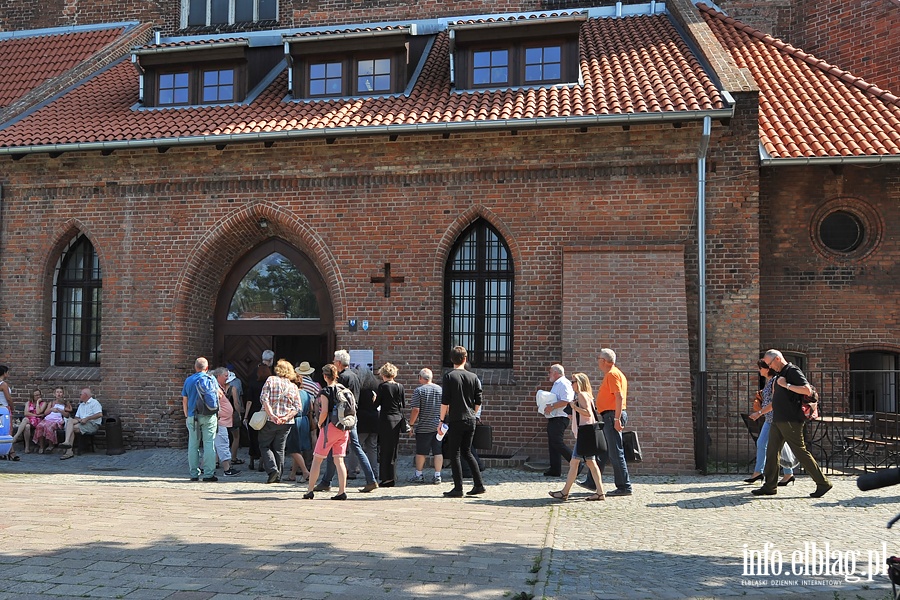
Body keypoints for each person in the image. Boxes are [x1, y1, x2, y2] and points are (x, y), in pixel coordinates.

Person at [752, 350, 833, 498]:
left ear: (777, 359)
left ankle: (823, 483)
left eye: (770, 363)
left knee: (800, 452)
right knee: (771, 451)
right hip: (778, 419)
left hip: (790, 420)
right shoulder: (778, 375)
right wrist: (760, 413)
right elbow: (775, 401)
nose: (769, 367)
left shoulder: (792, 371)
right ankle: (770, 486)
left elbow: (807, 390)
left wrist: (787, 385)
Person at [314, 350, 379, 494]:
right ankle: (369, 479)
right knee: (352, 447)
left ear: (338, 362)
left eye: (334, 360)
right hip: (352, 416)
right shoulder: (354, 376)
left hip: (341, 418)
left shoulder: (342, 378)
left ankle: (369, 479)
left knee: (338, 447)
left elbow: (336, 399)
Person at [581, 348, 633, 496]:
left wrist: (616, 419)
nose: (597, 362)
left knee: (616, 453)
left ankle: (624, 486)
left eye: (598, 359)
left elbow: (619, 397)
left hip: (612, 416)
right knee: (603, 451)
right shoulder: (615, 373)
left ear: (604, 361)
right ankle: (592, 481)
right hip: (610, 416)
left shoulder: (612, 374)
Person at [548, 373, 606, 501]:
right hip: (586, 434)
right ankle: (600, 492)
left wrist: (574, 407)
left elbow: (588, 412)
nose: (571, 384)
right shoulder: (586, 395)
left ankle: (565, 493)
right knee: (589, 463)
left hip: (585, 434)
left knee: (576, 463)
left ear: (579, 383)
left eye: (573, 381)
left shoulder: (582, 395)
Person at [439, 346, 486, 498]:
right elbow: (479, 399)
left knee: (455, 453)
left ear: (451, 359)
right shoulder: (473, 377)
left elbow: (445, 401)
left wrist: (441, 420)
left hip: (457, 418)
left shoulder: (449, 376)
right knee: (467, 452)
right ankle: (478, 484)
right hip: (470, 418)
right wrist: (473, 411)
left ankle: (458, 487)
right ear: (465, 359)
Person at [746, 359, 797, 486]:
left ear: (767, 369)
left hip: (775, 419)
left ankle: (762, 472)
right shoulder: (769, 381)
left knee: (767, 444)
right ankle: (785, 473)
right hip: (770, 418)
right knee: (768, 444)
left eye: (760, 368)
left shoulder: (775, 381)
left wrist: (759, 413)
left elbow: (774, 402)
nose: (759, 371)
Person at [304, 363, 350, 500]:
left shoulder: (326, 391)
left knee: (317, 460)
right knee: (339, 460)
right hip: (343, 427)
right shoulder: (344, 389)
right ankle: (342, 491)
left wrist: (319, 423)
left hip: (329, 428)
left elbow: (324, 411)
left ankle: (310, 490)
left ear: (325, 376)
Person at [257, 359, 303, 484]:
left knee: (264, 445)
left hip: (270, 420)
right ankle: (278, 476)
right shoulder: (293, 386)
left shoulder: (270, 380)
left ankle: (272, 470)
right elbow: (297, 407)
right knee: (279, 449)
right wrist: (286, 417)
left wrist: (272, 415)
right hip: (286, 423)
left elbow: (264, 399)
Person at [181, 358, 219, 480]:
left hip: (193, 415)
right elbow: (218, 396)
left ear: (195, 367)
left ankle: (194, 474)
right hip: (209, 415)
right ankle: (209, 474)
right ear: (207, 368)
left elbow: (185, 399)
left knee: (193, 445)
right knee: (209, 444)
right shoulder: (211, 379)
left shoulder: (189, 380)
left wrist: (187, 415)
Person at [407, 368, 443, 484]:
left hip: (424, 426)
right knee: (438, 451)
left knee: (421, 451)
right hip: (438, 426)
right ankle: (437, 475)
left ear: (420, 378)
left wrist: (411, 424)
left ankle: (419, 474)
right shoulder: (439, 390)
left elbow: (416, 409)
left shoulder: (419, 391)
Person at [540, 364, 575, 477]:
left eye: (550, 372)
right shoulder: (557, 384)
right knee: (552, 443)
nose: (549, 374)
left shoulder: (564, 383)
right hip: (555, 417)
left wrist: (552, 407)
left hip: (561, 417)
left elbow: (567, 400)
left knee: (557, 442)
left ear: (556, 373)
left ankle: (577, 464)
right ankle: (555, 469)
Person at [374, 362, 405, 487]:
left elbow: (376, 404)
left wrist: (374, 399)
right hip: (397, 419)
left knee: (385, 449)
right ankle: (392, 475)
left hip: (386, 419)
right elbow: (402, 404)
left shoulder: (382, 387)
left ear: (383, 374)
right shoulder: (400, 386)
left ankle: (386, 478)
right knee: (393, 449)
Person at [59, 387, 103, 461]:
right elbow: (76, 417)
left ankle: (69, 451)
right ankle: (67, 444)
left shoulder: (94, 403)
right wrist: (80, 420)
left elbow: (99, 414)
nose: (79, 396)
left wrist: (87, 418)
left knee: (71, 428)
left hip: (92, 424)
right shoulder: (81, 405)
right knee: (70, 421)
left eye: (80, 394)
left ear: (85, 395)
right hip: (81, 423)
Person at [243, 362, 271, 471]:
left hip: (254, 414)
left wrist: (245, 416)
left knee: (253, 438)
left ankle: (251, 462)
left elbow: (249, 401)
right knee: (264, 439)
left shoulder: (253, 384)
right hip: (265, 413)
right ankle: (261, 463)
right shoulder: (269, 385)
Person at [213, 367, 241, 477]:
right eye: (225, 376)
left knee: (217, 444)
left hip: (222, 420)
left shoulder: (219, 387)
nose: (227, 378)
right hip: (220, 421)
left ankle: (207, 467)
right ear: (218, 376)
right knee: (223, 443)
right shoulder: (215, 388)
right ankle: (227, 469)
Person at [284, 377, 312, 483]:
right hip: (305, 420)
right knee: (298, 448)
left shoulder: (293, 393)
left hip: (294, 421)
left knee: (293, 449)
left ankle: (305, 472)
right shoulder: (306, 393)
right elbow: (311, 408)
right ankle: (292, 474)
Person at [33, 387, 71, 454]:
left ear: (63, 394)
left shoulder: (66, 403)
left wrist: (60, 410)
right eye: (57, 392)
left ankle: (51, 445)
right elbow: (45, 413)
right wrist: (51, 409)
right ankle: (41, 446)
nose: (59, 394)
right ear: (54, 394)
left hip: (57, 420)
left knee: (49, 427)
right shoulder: (52, 403)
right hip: (49, 418)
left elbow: (67, 415)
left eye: (60, 392)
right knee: (40, 426)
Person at [11, 389, 45, 454]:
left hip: (38, 421)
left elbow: (38, 412)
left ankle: (16, 436)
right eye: (36, 395)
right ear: (32, 396)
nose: (38, 396)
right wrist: (36, 415)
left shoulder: (43, 403)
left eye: (39, 395)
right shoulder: (28, 403)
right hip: (30, 420)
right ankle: (27, 447)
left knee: (25, 419)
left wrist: (37, 403)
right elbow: (26, 413)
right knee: (27, 426)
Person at [224, 370, 245, 467]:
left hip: (222, 416)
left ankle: (216, 460)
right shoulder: (233, 389)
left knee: (220, 438)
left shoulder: (219, 388)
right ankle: (233, 457)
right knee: (236, 437)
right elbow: (236, 403)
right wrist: (239, 413)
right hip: (232, 415)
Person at [0, 365, 19, 460]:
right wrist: (12, 407)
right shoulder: (3, 384)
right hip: (4, 409)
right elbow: (8, 398)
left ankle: (4, 451)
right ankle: (11, 452)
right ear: (4, 373)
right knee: (8, 430)